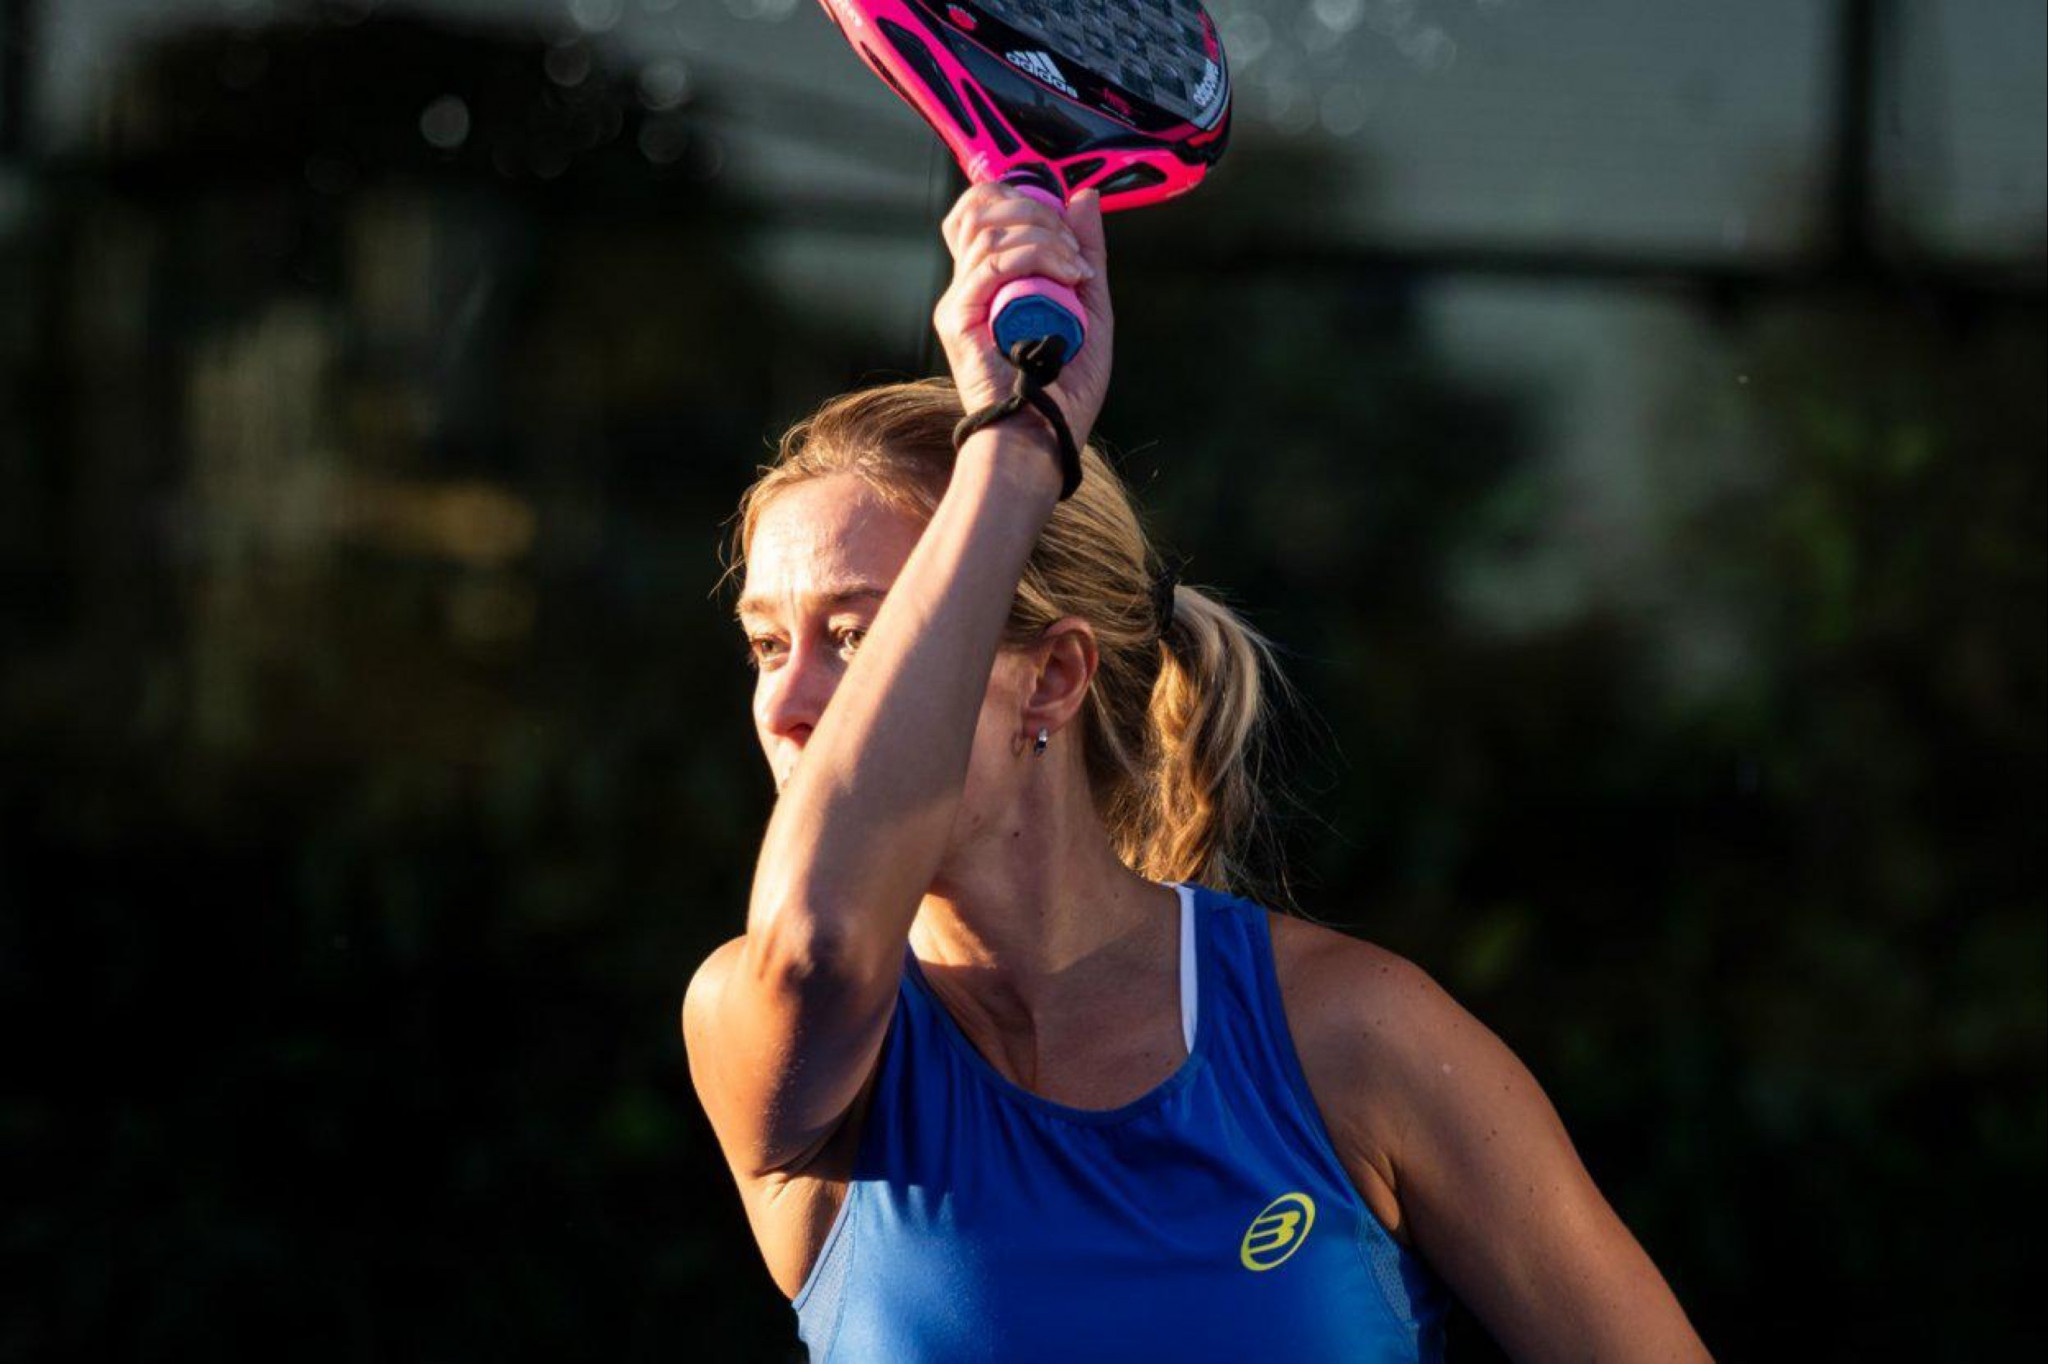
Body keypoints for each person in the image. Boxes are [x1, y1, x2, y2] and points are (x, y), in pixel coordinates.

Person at [683, 182, 1713, 1362]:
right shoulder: (773, 1031)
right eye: (768, 645)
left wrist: (1013, 452)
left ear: (1052, 679)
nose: (790, 703)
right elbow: (820, 940)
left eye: (862, 638)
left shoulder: (1354, 1034)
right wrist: (1015, 450)